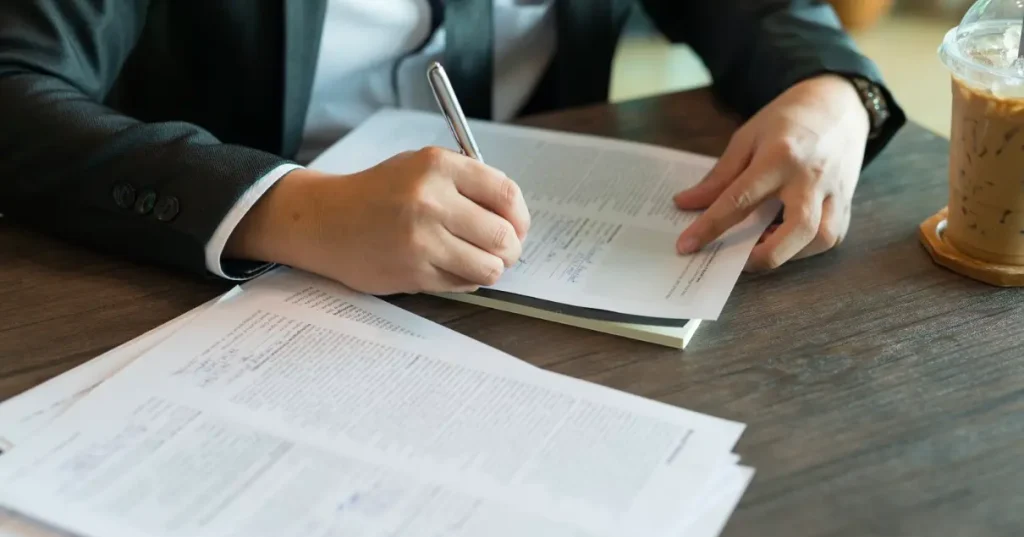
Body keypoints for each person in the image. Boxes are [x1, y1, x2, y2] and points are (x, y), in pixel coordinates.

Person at [0, 0, 905, 295]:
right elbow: (15, 84)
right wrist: (288, 208)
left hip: (541, 285)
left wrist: (839, 93)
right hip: (225, 278)